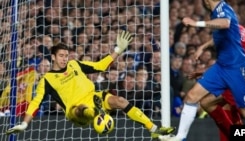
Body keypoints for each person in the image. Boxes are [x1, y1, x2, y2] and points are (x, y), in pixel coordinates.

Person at [6, 31, 175, 138]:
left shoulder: (75, 64)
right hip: (75, 111)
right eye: (61, 56)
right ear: (53, 57)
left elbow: (100, 66)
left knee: (120, 101)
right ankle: (97, 114)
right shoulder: (47, 80)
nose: (65, 58)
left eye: (66, 55)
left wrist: (118, 50)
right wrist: (24, 123)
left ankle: (153, 130)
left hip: (94, 97)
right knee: (81, 109)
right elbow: (35, 102)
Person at [164, 0, 245, 141]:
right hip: (221, 67)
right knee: (194, 97)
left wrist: (196, 23)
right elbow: (222, 34)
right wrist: (203, 47)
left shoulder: (223, 9)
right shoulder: (218, 14)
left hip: (237, 70)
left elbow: (225, 23)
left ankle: (234, 135)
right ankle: (180, 137)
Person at [192, 25, 245, 141]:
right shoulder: (236, 29)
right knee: (208, 102)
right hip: (234, 79)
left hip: (241, 80)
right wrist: (202, 47)